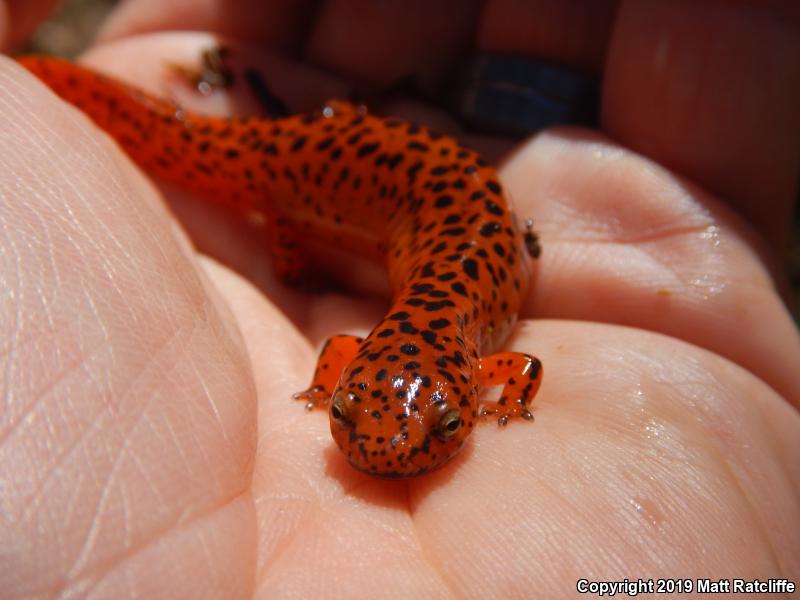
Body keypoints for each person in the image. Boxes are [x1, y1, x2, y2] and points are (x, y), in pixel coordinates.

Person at [1, 1, 798, 596]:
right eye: (345, 416)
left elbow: (515, 371)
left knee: (273, 189)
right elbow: (489, 365)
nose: (383, 453)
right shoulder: (446, 355)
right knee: (258, 183)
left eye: (444, 426)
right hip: (354, 177)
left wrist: (493, 404)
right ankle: (55, 80)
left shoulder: (458, 356)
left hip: (406, 189)